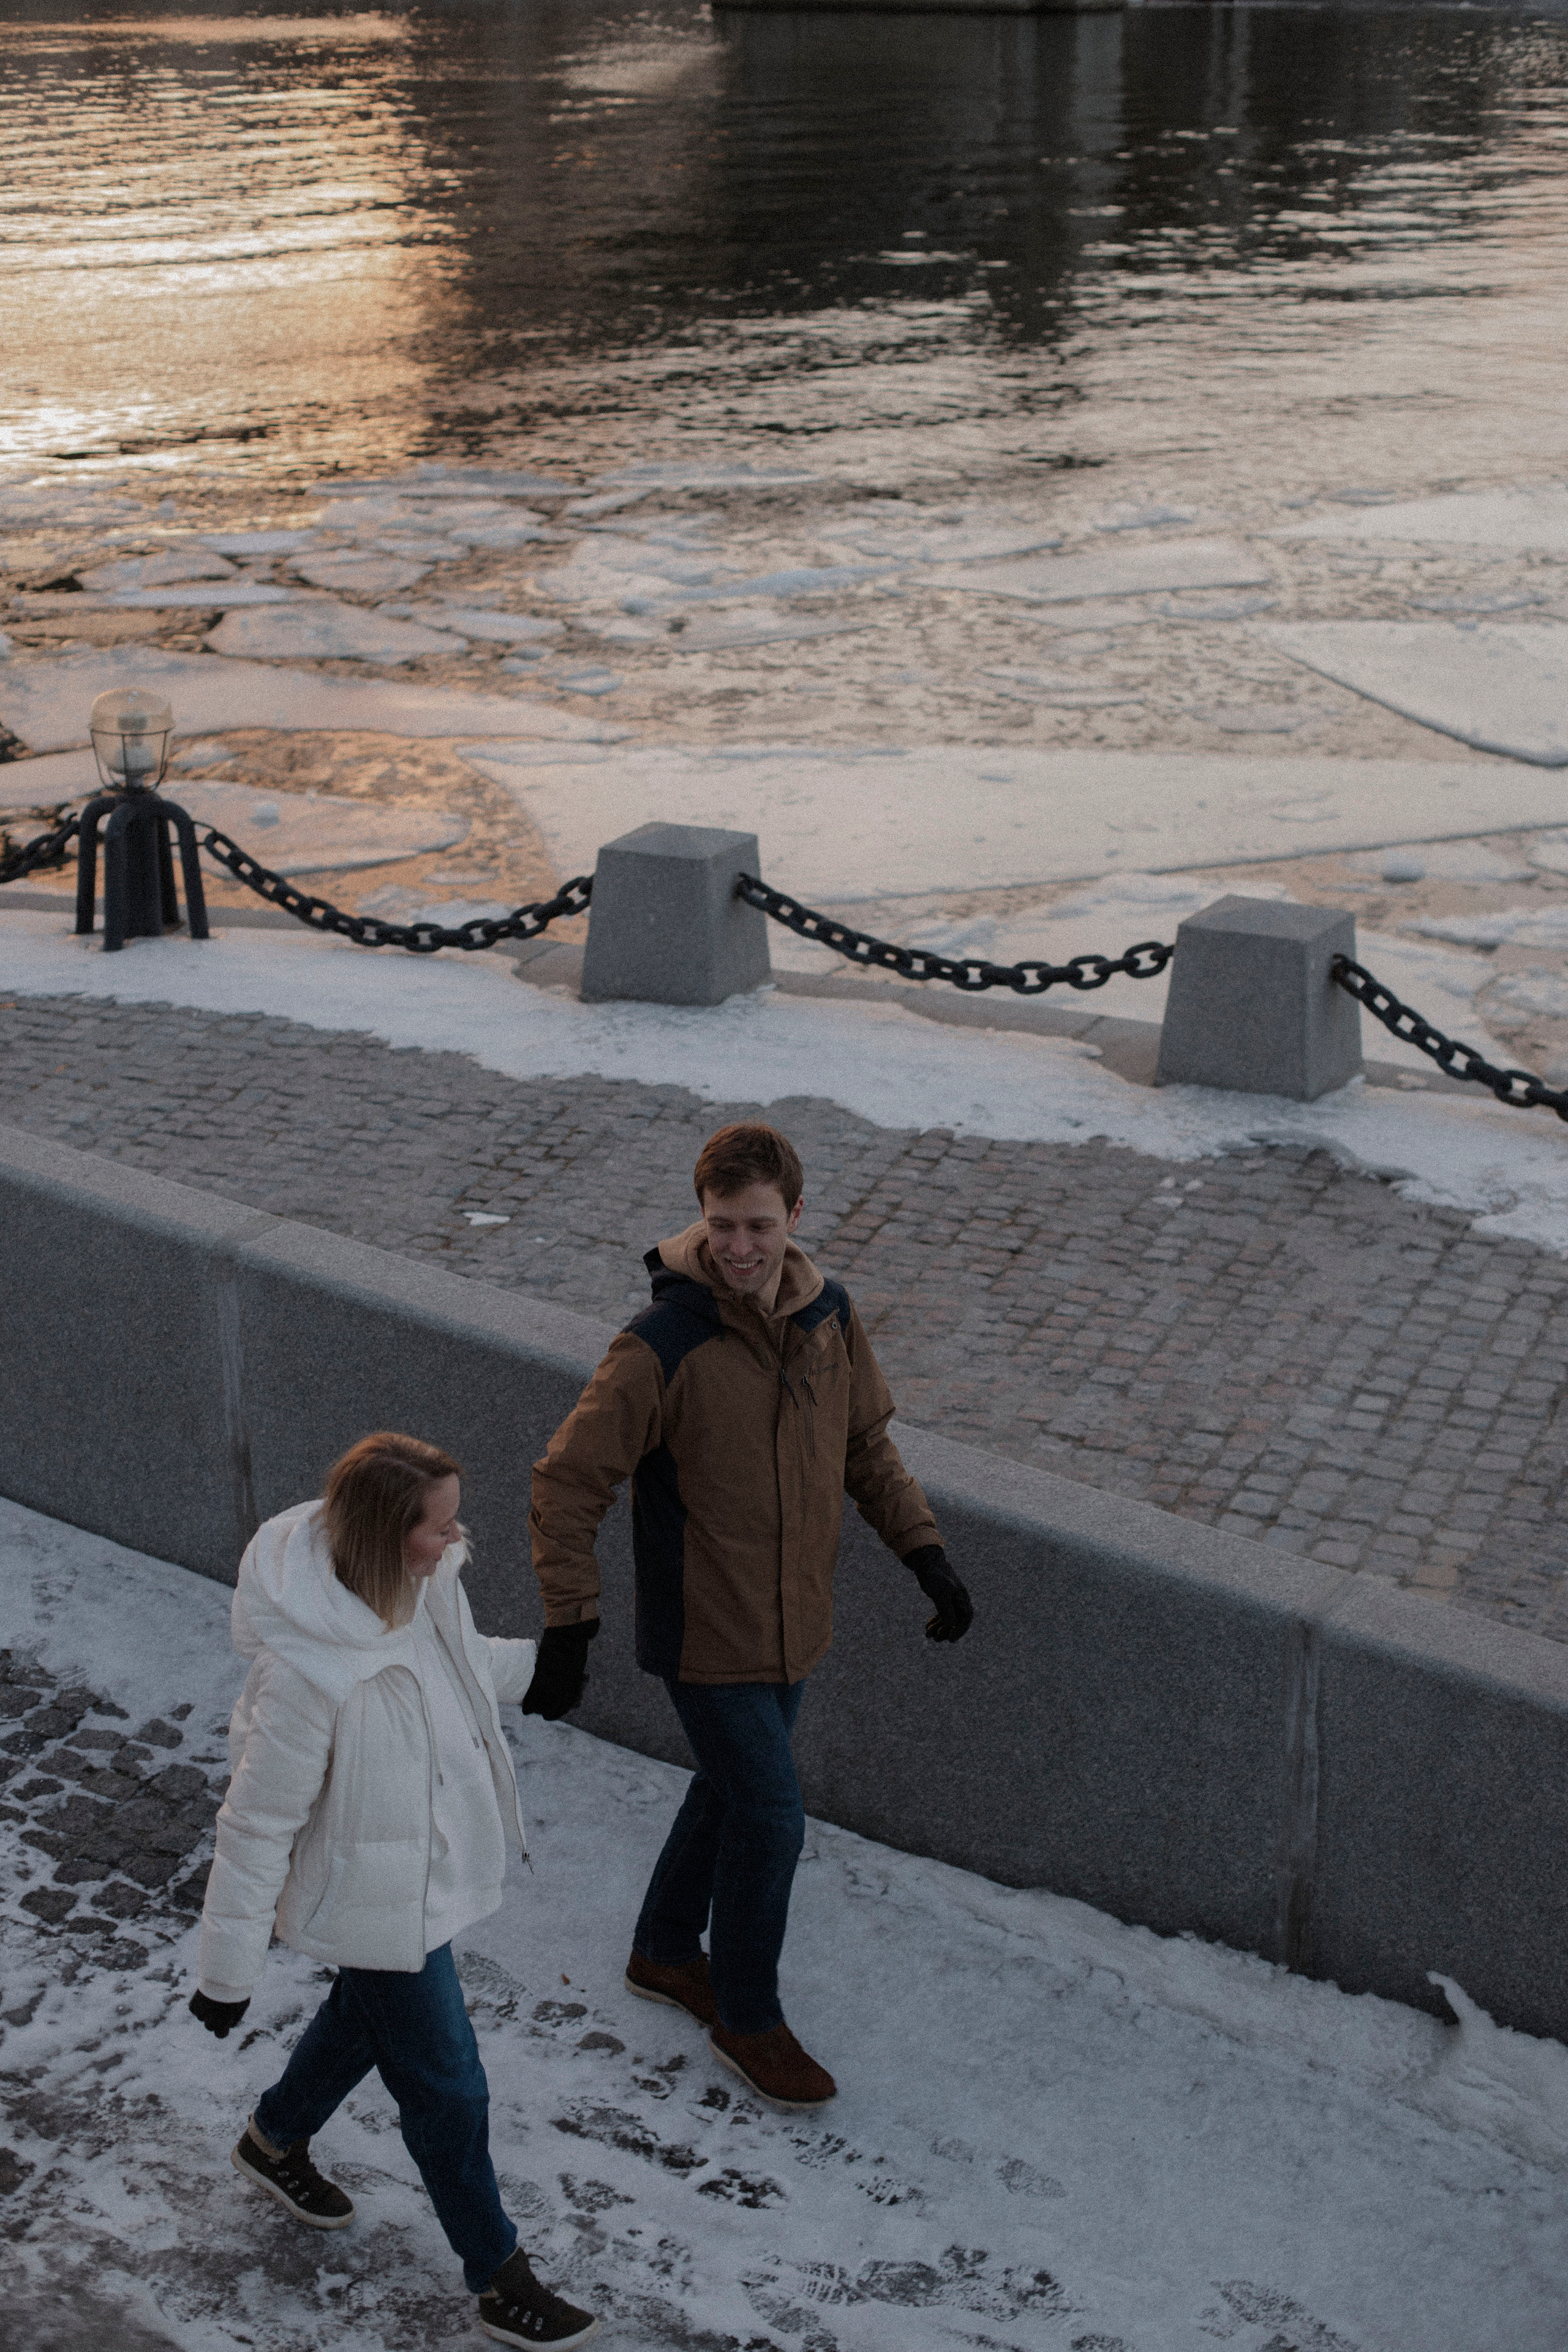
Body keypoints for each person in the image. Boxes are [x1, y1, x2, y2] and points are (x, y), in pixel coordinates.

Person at [527, 1122, 973, 2113]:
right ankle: (746, 2015)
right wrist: (570, 1626)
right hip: (705, 1633)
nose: (740, 1247)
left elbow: (866, 1446)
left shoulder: (830, 1316)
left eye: (759, 1226)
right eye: (723, 1224)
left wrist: (925, 1553)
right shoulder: (661, 1346)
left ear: (795, 1217)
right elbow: (567, 1481)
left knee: (732, 1792)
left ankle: (661, 1950)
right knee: (771, 1819)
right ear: (702, 1216)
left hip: (796, 1624)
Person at [187, 1431, 598, 2351]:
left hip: (416, 1880)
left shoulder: (424, 1585)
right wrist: (227, 1972)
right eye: (439, 1527)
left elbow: (454, 1666)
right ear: (384, 1534)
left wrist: (545, 1667)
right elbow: (256, 1825)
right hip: (367, 1901)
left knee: (366, 2020)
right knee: (449, 2086)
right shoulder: (306, 1674)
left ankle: (273, 2139)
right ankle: (499, 2277)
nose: (457, 1541)